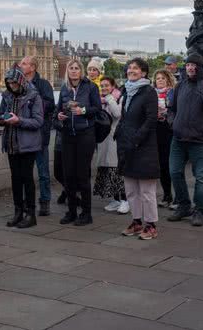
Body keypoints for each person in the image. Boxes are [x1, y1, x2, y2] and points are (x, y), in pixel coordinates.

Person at [167, 53, 203, 227]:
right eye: (187, 65)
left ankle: (199, 210)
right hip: (179, 137)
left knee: (201, 177)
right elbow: (171, 108)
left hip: (199, 139)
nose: (190, 68)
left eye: (193, 65)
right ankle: (183, 205)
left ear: (199, 67)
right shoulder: (180, 85)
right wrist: (173, 122)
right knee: (174, 172)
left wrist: (202, 80)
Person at [115, 59, 160, 240]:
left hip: (143, 146)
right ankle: (136, 221)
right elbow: (125, 117)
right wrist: (119, 134)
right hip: (126, 145)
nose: (131, 70)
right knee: (131, 189)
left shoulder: (148, 92)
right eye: (130, 68)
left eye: (136, 68)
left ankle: (151, 225)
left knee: (147, 190)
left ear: (144, 72)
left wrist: (137, 139)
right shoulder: (127, 90)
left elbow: (151, 120)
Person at [0, 66, 44, 228]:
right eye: (9, 83)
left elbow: (38, 121)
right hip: (11, 143)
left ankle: (31, 214)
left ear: (20, 81)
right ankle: (18, 212)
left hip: (27, 145)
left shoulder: (34, 96)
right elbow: (1, 114)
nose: (11, 86)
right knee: (15, 179)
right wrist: (2, 119)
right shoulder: (6, 96)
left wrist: (19, 121)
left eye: (14, 83)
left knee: (27, 178)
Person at [56, 59, 101, 226]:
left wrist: (82, 110)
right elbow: (58, 111)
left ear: (81, 71)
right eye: (71, 68)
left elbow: (97, 109)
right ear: (67, 71)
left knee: (82, 175)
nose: (74, 71)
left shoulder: (91, 87)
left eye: (77, 68)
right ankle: (72, 211)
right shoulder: (64, 89)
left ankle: (86, 213)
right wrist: (59, 116)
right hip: (68, 135)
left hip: (85, 135)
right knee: (69, 176)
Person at [19, 56, 56, 216]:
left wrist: (32, 103)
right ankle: (28, 202)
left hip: (40, 134)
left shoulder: (44, 84)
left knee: (43, 172)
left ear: (33, 67)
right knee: (25, 173)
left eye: (24, 63)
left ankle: (45, 201)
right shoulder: (19, 84)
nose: (21, 65)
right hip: (24, 134)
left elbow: (50, 105)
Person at [94, 77, 128, 214]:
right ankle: (116, 199)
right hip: (103, 140)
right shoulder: (100, 100)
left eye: (107, 85)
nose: (104, 88)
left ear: (113, 86)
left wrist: (109, 98)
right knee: (108, 171)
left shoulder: (119, 98)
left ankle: (125, 200)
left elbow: (117, 113)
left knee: (117, 171)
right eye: (102, 86)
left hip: (115, 139)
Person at [153, 69, 176, 207]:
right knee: (161, 165)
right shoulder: (152, 94)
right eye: (157, 78)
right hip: (156, 130)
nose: (160, 80)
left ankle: (177, 197)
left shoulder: (172, 93)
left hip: (168, 130)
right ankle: (167, 195)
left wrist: (164, 111)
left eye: (162, 78)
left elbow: (174, 110)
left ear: (168, 79)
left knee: (170, 165)